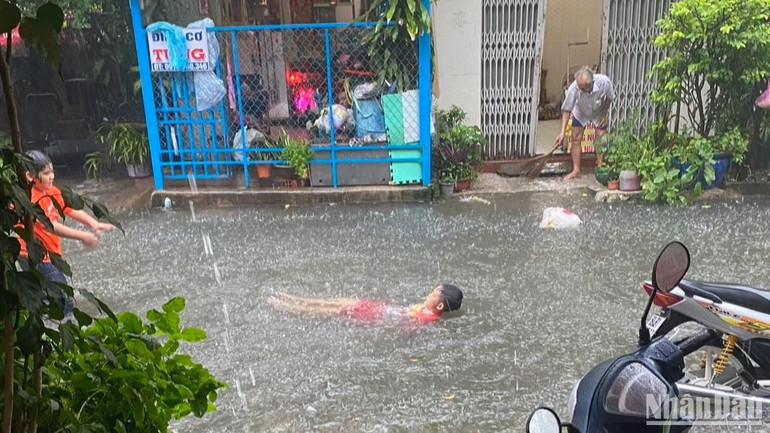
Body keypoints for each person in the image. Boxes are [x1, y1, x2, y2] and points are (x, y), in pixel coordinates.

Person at [17, 150, 115, 311]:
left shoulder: (50, 190)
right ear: (30, 176)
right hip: (34, 256)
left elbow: (68, 208)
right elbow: (51, 225)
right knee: (64, 301)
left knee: (47, 298)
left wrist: (93, 223)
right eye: (46, 173)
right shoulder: (30, 199)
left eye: (52, 171)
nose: (52, 176)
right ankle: (63, 328)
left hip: (50, 254)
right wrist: (83, 236)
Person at [267, 284, 463, 324]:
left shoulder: (428, 317)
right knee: (340, 301)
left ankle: (290, 306)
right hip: (380, 309)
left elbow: (407, 324)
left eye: (433, 294)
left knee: (335, 309)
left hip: (376, 315)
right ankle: (295, 299)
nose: (428, 294)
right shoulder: (427, 310)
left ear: (439, 306)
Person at [556, 67, 616, 180]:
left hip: (598, 110)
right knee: (575, 138)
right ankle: (576, 169)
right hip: (580, 111)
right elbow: (567, 110)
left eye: (583, 88)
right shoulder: (574, 88)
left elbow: (609, 97)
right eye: (579, 87)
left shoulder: (604, 82)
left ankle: (599, 164)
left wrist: (604, 113)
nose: (580, 89)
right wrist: (562, 132)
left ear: (591, 84)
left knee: (601, 136)